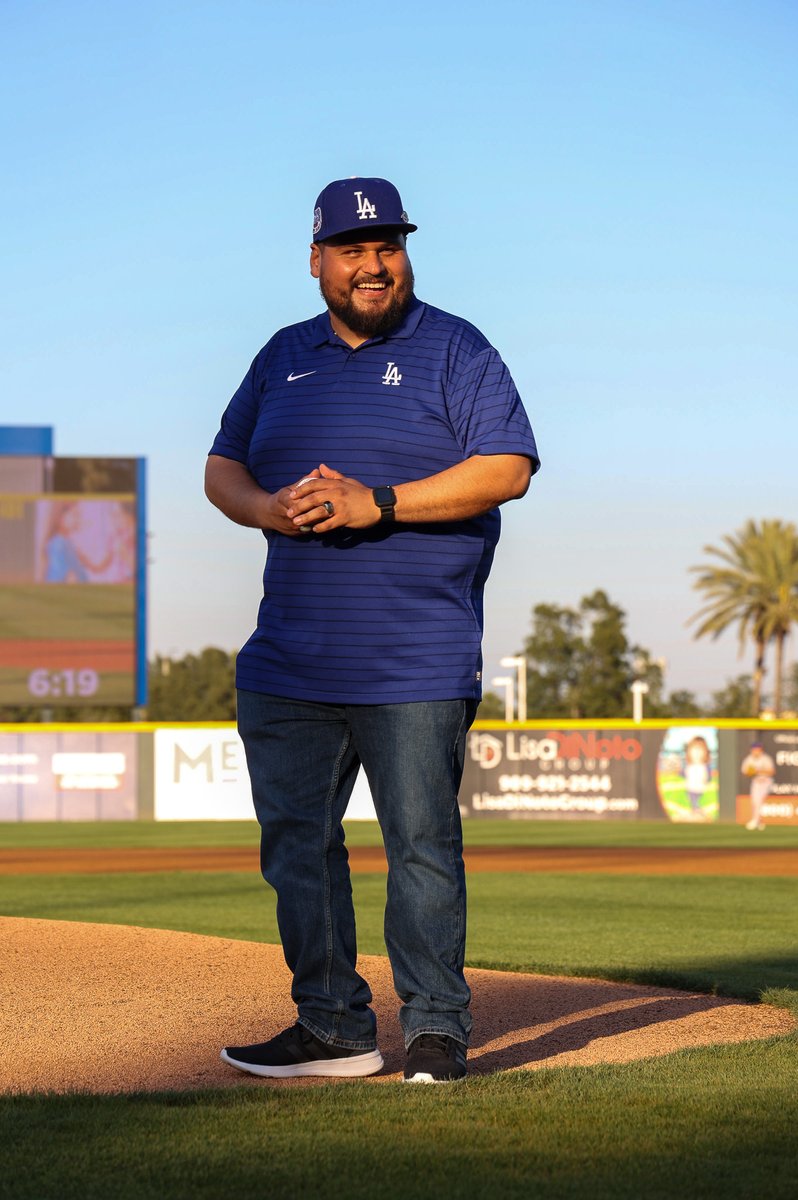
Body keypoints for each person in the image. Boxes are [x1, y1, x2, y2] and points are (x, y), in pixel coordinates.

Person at [205, 177, 539, 1083]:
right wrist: (269, 508)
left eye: (387, 245)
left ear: (404, 255)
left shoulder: (455, 350)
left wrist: (377, 502)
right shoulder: (282, 357)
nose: (372, 263)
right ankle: (333, 1028)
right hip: (290, 658)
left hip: (414, 659)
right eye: (352, 248)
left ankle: (436, 1029)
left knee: (420, 849)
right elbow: (220, 470)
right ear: (317, 260)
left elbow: (507, 468)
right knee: (296, 849)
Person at [740, 741, 775, 831]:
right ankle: (758, 821)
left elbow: (771, 772)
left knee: (758, 801)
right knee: (755, 802)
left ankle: (755, 821)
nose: (756, 751)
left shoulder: (765, 758)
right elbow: (745, 771)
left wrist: (758, 771)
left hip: (765, 781)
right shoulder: (749, 759)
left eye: (758, 749)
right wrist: (751, 772)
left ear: (761, 750)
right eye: (754, 749)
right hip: (756, 782)